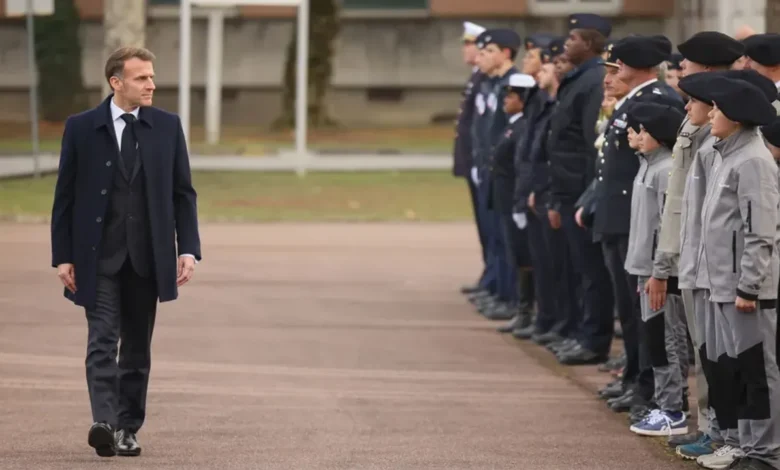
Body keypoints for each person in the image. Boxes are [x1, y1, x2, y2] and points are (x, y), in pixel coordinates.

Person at [50, 46, 201, 457]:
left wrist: (188, 248)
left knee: (135, 348)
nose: (151, 84)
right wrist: (63, 255)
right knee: (102, 339)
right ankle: (103, 421)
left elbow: (182, 193)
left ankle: (128, 427)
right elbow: (64, 196)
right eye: (141, 78)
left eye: (151, 77)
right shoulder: (81, 127)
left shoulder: (167, 126)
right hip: (96, 258)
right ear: (116, 82)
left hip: (147, 258)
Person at [642, 30, 746, 458]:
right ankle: (712, 426)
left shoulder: (725, 116)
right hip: (688, 248)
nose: (678, 68)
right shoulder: (698, 113)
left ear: (704, 66)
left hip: (713, 253)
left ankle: (731, 434)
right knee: (705, 350)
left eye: (686, 62)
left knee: (726, 353)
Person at [691, 75, 780, 470]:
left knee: (758, 369)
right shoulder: (727, 154)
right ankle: (746, 444)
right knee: (738, 367)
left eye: (718, 108)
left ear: (738, 116)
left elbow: (760, 232)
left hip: (748, 288)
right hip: (724, 285)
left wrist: (748, 285)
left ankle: (765, 452)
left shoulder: (754, 161)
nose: (711, 114)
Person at [545, 13, 613, 366]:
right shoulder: (578, 78)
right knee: (579, 268)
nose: (567, 43)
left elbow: (591, 144)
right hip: (568, 188)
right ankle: (582, 332)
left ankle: (594, 339)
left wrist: (588, 198)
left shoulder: (593, 81)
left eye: (574, 37)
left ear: (591, 43)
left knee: (591, 271)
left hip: (581, 190)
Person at [621, 102, 688, 436]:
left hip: (658, 273)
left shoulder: (666, 170)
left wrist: (658, 271)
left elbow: (666, 228)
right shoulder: (647, 165)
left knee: (666, 340)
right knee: (654, 338)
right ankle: (666, 403)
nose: (639, 135)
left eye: (646, 130)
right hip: (643, 269)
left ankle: (673, 409)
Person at [509, 38, 571, 342]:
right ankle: (546, 318)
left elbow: (554, 157)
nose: (543, 72)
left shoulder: (553, 107)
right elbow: (530, 155)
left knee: (558, 266)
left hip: (553, 194)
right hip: (538, 193)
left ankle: (558, 321)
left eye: (549, 66)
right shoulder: (542, 106)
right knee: (543, 263)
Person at [489, 72, 537, 326]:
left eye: (511, 96)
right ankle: (521, 306)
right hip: (507, 199)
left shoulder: (523, 126)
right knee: (516, 255)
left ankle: (526, 310)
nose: (506, 100)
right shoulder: (515, 124)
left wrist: (519, 202)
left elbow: (522, 168)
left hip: (515, 199)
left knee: (524, 256)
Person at [454, 21, 489, 297]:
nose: (466, 50)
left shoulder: (485, 80)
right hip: (474, 161)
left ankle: (496, 280)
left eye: (470, 44)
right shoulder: (477, 78)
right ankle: (491, 277)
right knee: (485, 225)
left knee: (491, 226)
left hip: (483, 163)